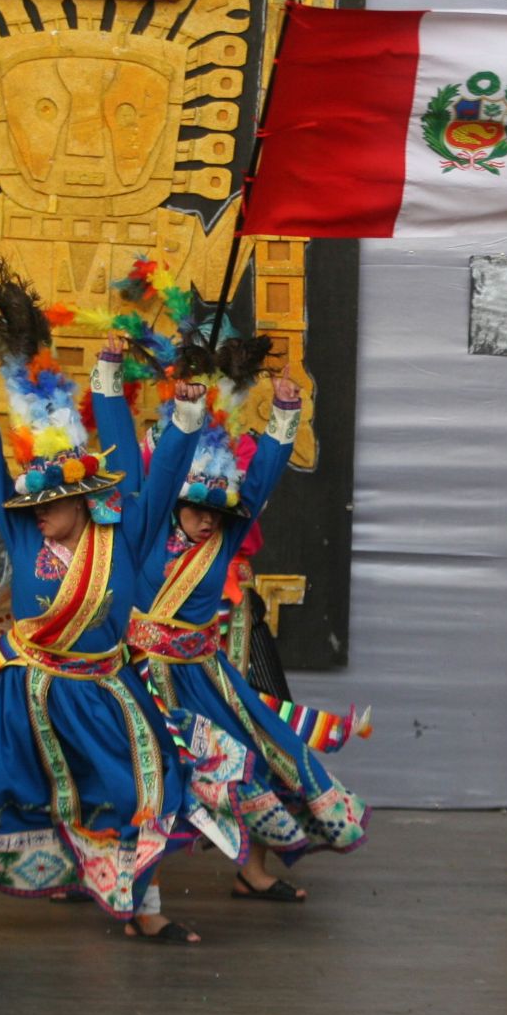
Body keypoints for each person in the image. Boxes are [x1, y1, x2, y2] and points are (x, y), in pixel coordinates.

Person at [0, 266, 249, 945]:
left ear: (82, 502)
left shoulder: (126, 535)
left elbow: (158, 474)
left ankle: (142, 907)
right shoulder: (22, 532)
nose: (35, 517)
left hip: (100, 689)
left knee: (132, 793)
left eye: (47, 507)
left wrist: (180, 416)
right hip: (23, 683)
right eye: (30, 508)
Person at [127, 341, 367, 904]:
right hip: (144, 675)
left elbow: (258, 484)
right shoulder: (147, 523)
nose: (207, 521)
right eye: (196, 511)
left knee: (260, 744)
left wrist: (285, 412)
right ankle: (110, 874)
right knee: (136, 768)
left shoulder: (227, 520)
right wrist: (185, 415)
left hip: (215, 659)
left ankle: (253, 868)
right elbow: (162, 474)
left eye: (216, 513)